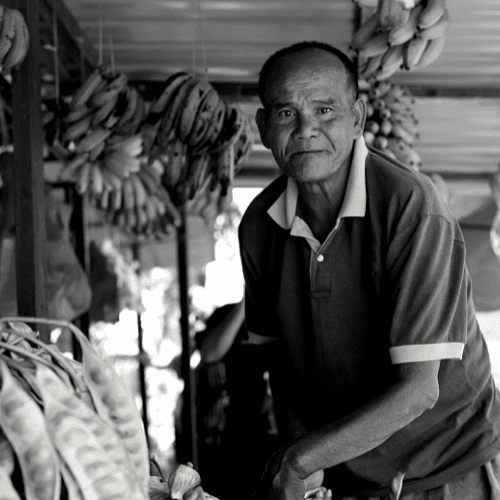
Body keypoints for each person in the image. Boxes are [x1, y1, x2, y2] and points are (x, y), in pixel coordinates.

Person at [237, 40, 500, 500]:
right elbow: (280, 367)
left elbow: (420, 391)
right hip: (349, 477)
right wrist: (311, 470)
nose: (305, 130)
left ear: (357, 119)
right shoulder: (259, 227)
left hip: (448, 465)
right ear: (262, 127)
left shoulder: (410, 206)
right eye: (285, 113)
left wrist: (299, 462)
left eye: (324, 110)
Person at [194, 299, 280, 499]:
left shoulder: (271, 324)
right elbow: (209, 353)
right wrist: (246, 302)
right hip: (222, 447)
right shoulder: (228, 315)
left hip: (258, 439)